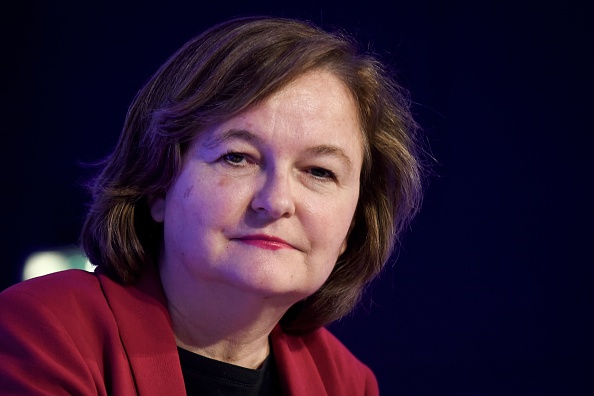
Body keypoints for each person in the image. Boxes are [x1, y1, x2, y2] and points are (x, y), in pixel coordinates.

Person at [0, 16, 425, 395]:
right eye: (237, 158)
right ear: (158, 184)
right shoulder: (44, 331)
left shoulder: (346, 383)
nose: (275, 202)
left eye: (319, 171)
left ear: (353, 224)